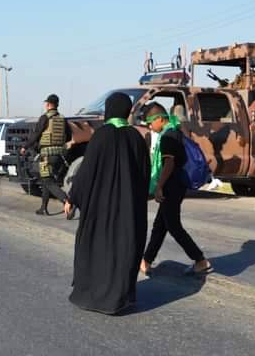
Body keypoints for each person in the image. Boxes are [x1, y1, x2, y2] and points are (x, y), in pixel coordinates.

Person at [63, 93, 150, 314]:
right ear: (127, 111)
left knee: (96, 245)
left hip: (99, 208)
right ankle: (120, 298)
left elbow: (86, 172)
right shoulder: (136, 138)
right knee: (124, 246)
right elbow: (144, 175)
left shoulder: (100, 136)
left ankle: (91, 295)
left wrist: (72, 197)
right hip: (128, 208)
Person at [140, 103, 213, 276]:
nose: (150, 127)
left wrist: (158, 186)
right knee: (160, 224)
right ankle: (146, 261)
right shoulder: (176, 131)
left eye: (150, 123)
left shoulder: (168, 137)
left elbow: (169, 163)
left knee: (173, 225)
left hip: (172, 186)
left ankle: (200, 260)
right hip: (176, 185)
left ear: (159, 119)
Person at [20, 94, 73, 217]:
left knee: (47, 180)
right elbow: (69, 137)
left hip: (46, 156)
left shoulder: (44, 118)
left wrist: (25, 146)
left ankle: (66, 200)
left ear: (48, 104)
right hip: (59, 156)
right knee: (46, 180)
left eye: (46, 103)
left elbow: (36, 135)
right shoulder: (62, 119)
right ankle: (43, 208)